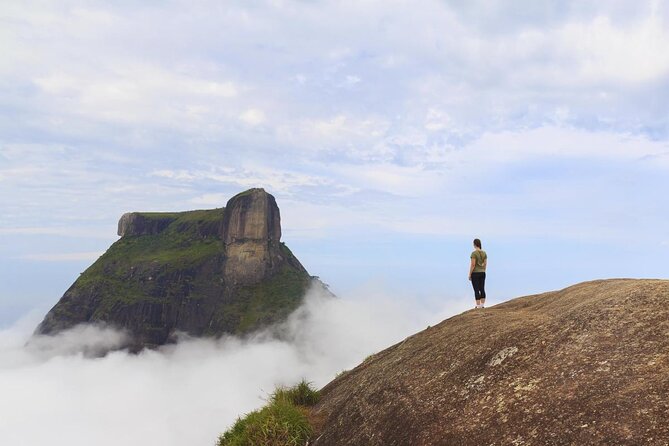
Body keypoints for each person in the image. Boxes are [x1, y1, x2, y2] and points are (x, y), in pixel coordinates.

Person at [468, 238, 487, 309]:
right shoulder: (484, 253)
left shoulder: (474, 253)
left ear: (474, 244)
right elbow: (485, 264)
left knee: (476, 289)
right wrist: (483, 270)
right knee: (482, 289)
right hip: (482, 272)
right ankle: (482, 305)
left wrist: (470, 274)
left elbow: (473, 265)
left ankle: (478, 306)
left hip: (475, 273)